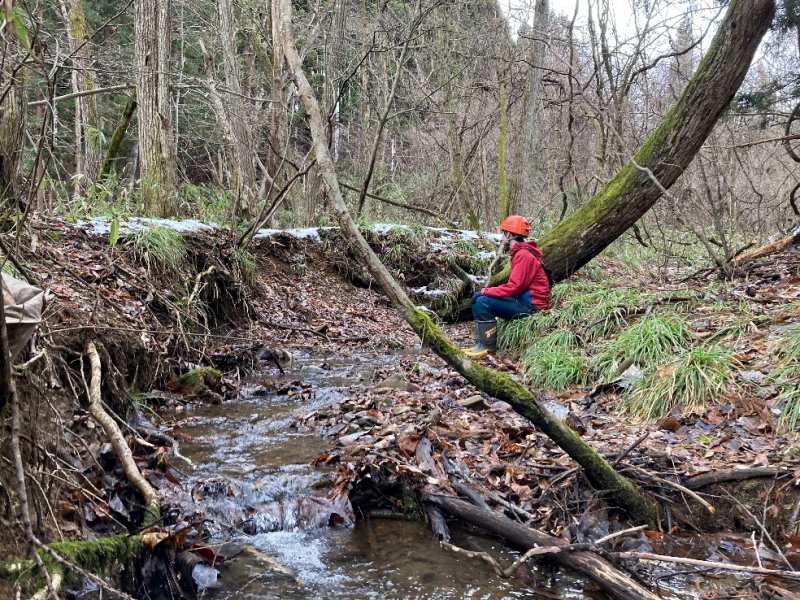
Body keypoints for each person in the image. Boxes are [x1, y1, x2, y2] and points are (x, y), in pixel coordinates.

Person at [465, 215, 550, 358]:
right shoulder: (522, 253)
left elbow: (513, 287)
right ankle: (481, 344)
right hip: (526, 302)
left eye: (503, 234)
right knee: (482, 299)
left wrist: (485, 291)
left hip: (532, 308)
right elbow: (515, 287)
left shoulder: (523, 255)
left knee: (481, 302)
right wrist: (488, 291)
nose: (502, 238)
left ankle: (486, 347)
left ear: (510, 235)